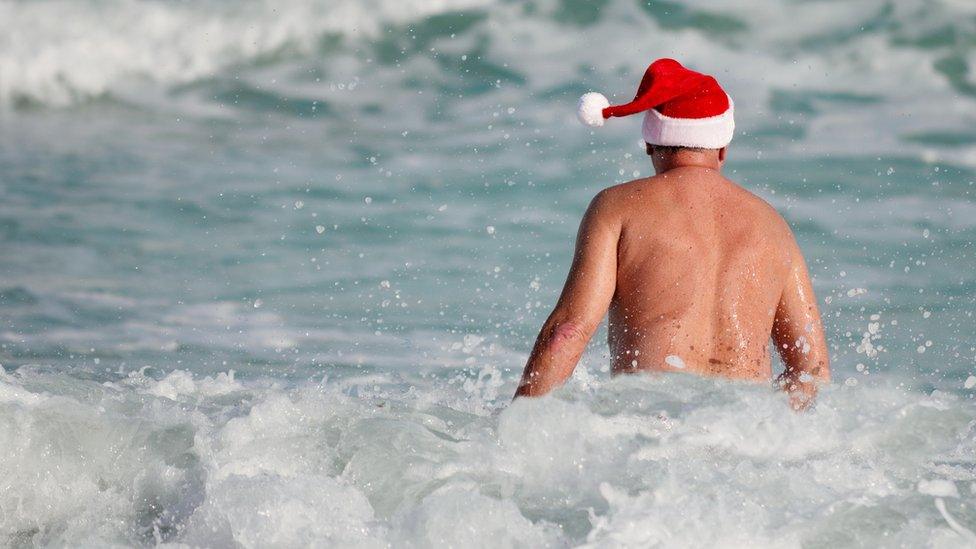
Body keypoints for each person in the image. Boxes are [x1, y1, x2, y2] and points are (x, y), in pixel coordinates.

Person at [514, 58, 829, 410]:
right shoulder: (773, 226)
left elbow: (568, 331)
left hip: (650, 426)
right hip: (740, 434)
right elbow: (811, 371)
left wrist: (514, 431)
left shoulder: (617, 207)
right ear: (722, 148)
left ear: (650, 144)